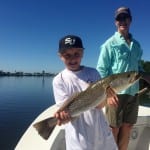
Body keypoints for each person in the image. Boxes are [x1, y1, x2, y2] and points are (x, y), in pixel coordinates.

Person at [52, 34, 118, 150]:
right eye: (67, 55)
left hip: (101, 132)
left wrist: (107, 98)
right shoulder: (59, 80)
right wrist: (63, 116)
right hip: (78, 138)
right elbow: (64, 110)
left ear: (82, 53)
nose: (72, 59)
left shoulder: (93, 73)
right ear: (60, 56)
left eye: (77, 54)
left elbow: (99, 106)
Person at [96, 7, 143, 150]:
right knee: (113, 128)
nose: (123, 21)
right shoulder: (109, 44)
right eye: (119, 18)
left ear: (130, 20)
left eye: (125, 18)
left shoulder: (137, 45)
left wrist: (145, 75)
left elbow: (138, 67)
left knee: (128, 126)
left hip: (133, 92)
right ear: (115, 22)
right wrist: (108, 93)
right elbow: (101, 71)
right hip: (115, 94)